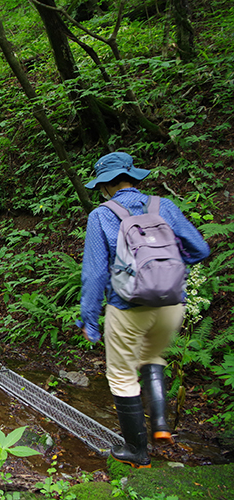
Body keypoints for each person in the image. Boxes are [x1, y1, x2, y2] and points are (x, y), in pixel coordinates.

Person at [78, 152, 210, 468]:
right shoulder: (164, 206)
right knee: (152, 356)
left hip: (128, 307)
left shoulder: (101, 215)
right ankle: (161, 426)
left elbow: (95, 273)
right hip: (171, 304)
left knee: (123, 375)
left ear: (105, 185)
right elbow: (200, 249)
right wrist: (171, 272)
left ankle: (137, 452)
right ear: (132, 177)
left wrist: (89, 320)